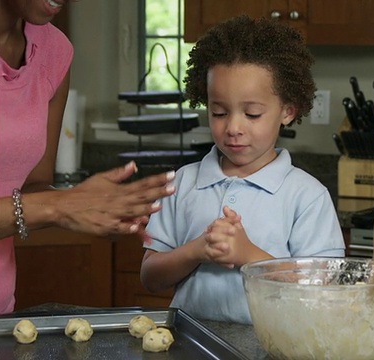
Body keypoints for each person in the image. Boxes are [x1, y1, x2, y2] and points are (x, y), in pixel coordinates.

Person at [139, 15, 345, 324]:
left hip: (274, 348)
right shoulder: (183, 182)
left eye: (252, 113)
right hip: (190, 343)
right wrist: (197, 250)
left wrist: (249, 256)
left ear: (287, 111)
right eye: (219, 112)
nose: (233, 127)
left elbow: (325, 290)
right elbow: (150, 278)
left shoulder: (307, 196)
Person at [0, 0, 176, 315]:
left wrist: (91, 208)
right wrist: (60, 206)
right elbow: (43, 206)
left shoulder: (53, 51)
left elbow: (35, 186)